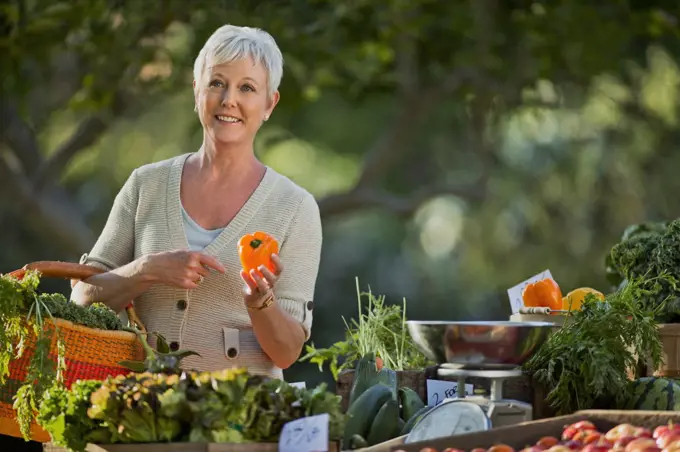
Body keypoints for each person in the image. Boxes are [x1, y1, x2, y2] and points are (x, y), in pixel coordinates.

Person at [71, 24, 323, 380]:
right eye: (217, 83)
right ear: (196, 91)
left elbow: (287, 352)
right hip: (141, 411)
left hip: (242, 420)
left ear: (269, 104)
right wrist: (147, 270)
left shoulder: (296, 208)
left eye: (247, 88)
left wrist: (259, 303)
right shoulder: (146, 185)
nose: (228, 100)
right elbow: (82, 298)